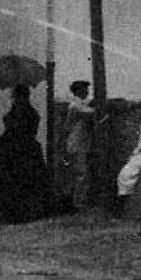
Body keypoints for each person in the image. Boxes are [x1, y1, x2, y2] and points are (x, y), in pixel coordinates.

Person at [0, 84, 51, 224]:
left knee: (13, 181)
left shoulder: (21, 112)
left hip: (14, 149)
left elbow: (15, 127)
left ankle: (12, 212)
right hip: (24, 149)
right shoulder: (28, 112)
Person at [60, 80, 95, 210]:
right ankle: (77, 203)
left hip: (79, 143)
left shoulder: (78, 104)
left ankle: (75, 201)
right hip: (76, 143)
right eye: (85, 90)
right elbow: (89, 113)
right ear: (79, 91)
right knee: (80, 173)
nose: (87, 92)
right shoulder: (75, 106)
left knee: (78, 173)